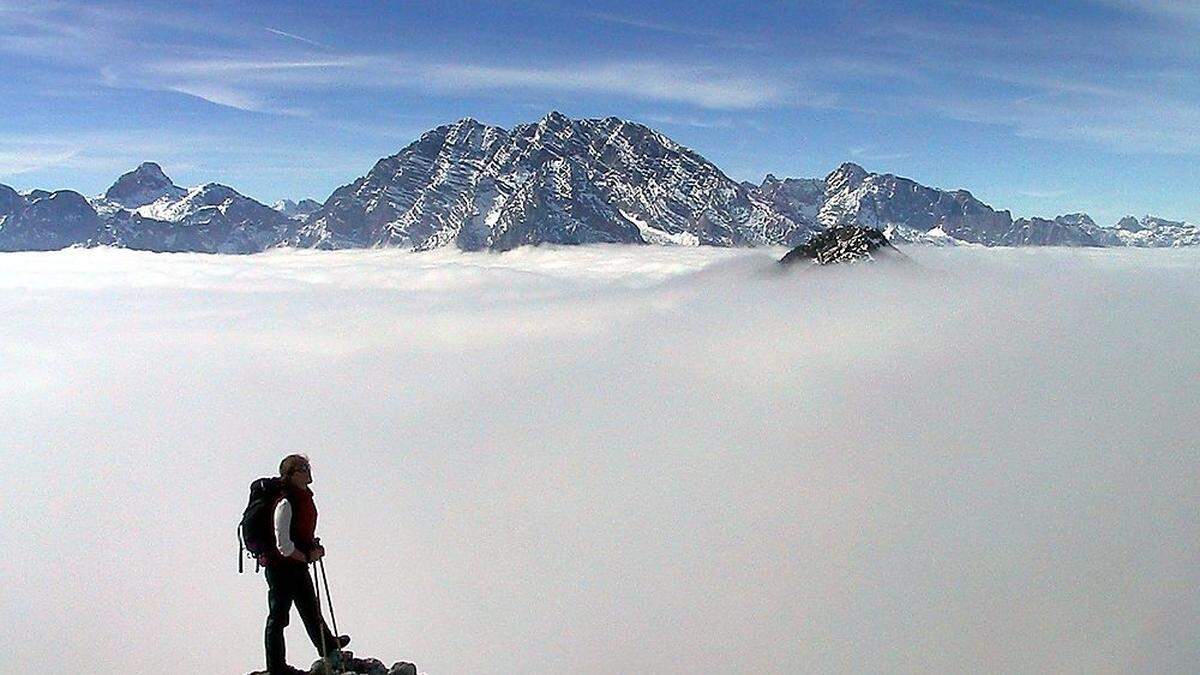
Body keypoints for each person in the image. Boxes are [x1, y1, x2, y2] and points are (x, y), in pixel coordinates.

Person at [263, 454, 350, 675]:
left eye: (307, 466)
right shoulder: (286, 502)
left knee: (310, 608)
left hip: (295, 565)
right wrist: (307, 556)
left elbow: (298, 534)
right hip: (281, 568)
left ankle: (328, 647)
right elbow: (283, 545)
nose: (307, 470)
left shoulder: (302, 498)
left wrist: (312, 548)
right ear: (290, 475)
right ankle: (276, 667)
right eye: (302, 467)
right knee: (279, 617)